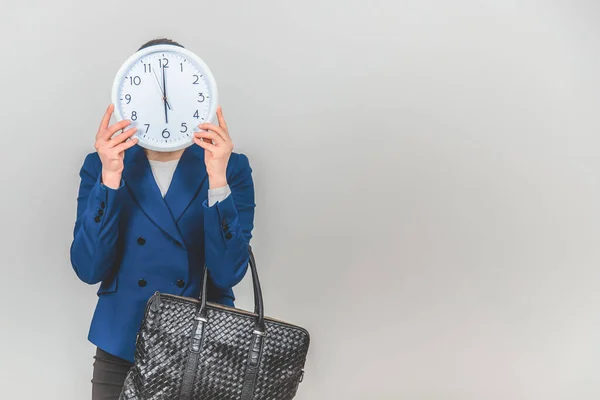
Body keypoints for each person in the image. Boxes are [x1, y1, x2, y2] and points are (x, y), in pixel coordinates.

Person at [69, 38, 255, 399]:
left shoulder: (231, 166)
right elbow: (88, 268)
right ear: (128, 100)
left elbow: (229, 272)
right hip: (122, 343)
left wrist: (217, 181)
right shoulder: (101, 164)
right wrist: (110, 177)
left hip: (204, 345)